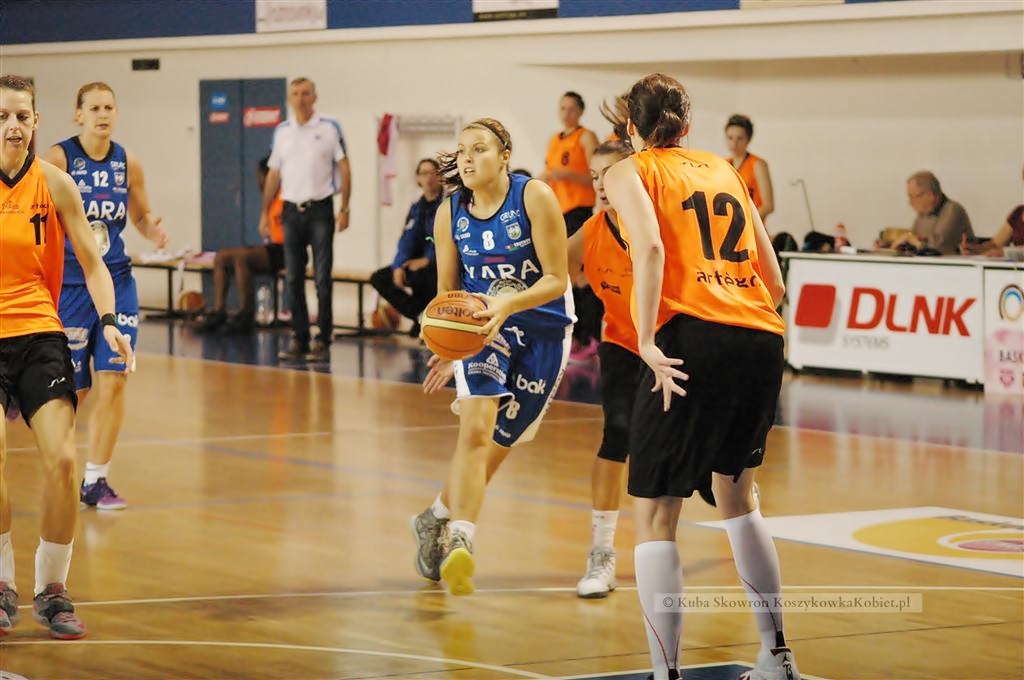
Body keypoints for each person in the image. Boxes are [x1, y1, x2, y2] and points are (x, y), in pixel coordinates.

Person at [602, 74, 799, 680]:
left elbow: (651, 250)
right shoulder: (724, 168)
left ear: (630, 127)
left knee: (656, 513)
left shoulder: (629, 171)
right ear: (687, 126)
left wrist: (645, 339)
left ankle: (667, 674)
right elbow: (775, 279)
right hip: (760, 335)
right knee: (739, 500)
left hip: (691, 336)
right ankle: (778, 658)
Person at [411, 118, 574, 596]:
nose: (467, 158)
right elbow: (447, 292)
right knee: (476, 432)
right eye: (462, 150)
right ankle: (461, 537)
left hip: (544, 330)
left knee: (499, 444)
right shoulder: (449, 213)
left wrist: (509, 304)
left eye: (479, 149)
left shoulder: (534, 197)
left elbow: (556, 279)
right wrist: (448, 344)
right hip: (485, 330)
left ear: (505, 156)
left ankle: (435, 516)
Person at [568, 140, 735, 600]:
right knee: (617, 435)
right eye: (594, 176)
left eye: (609, 174)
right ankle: (602, 553)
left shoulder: (665, 223)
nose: (601, 185)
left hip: (676, 342)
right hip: (624, 347)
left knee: (689, 440)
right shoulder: (591, 231)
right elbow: (548, 274)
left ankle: (713, 474)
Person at [0, 75, 133, 639]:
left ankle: (51, 588)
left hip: (39, 333)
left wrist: (110, 321)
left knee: (61, 461)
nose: (13, 126)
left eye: (22, 116)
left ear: (35, 121)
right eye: (3, 116)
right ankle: (1, 584)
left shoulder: (55, 184)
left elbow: (94, 262)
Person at [43, 82, 166, 511]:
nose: (103, 114)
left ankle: (96, 480)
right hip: (72, 287)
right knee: (72, 391)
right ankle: (59, 470)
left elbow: (140, 214)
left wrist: (152, 229)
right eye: (94, 108)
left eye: (109, 107)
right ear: (78, 114)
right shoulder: (59, 159)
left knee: (114, 380)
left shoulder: (127, 162)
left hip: (117, 281)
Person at [260, 77, 351, 362]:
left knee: (322, 277)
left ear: (314, 96)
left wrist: (345, 207)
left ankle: (322, 337)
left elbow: (345, 167)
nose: (301, 98)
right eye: (296, 93)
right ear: (290, 98)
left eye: (306, 93)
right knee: (293, 277)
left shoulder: (329, 127)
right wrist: (265, 212)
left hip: (320, 208)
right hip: (290, 211)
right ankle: (299, 337)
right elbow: (274, 173)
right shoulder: (283, 132)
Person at [543, 91, 602, 362]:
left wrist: (568, 174)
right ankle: (573, 335)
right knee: (564, 275)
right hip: (559, 213)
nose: (566, 113)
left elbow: (597, 175)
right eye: (562, 108)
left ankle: (591, 336)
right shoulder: (554, 139)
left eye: (571, 109)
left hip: (579, 211)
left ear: (580, 111)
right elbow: (547, 174)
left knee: (583, 276)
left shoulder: (586, 137)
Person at [196, 156, 285, 334]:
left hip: (286, 250)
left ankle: (246, 313)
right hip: (271, 248)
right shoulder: (270, 201)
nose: (259, 182)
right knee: (222, 257)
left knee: (242, 258)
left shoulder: (286, 198)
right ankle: (219, 311)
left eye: (261, 178)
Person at [369, 159, 442, 336]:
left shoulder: (447, 205)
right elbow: (407, 239)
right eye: (424, 173)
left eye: (432, 173)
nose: (428, 178)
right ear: (418, 178)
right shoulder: (417, 207)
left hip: (436, 263)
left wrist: (427, 259)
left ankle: (431, 321)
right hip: (414, 263)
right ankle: (420, 314)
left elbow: (444, 238)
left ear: (440, 177)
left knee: (427, 276)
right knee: (380, 278)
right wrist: (399, 266)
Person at [890, 171, 973, 255]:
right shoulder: (923, 214)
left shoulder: (952, 210)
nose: (910, 202)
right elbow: (914, 241)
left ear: (930, 195)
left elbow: (938, 246)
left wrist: (912, 240)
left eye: (913, 197)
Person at [961, 166, 1023, 257]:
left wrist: (1006, 252)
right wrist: (973, 248)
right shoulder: (1018, 213)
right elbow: (995, 244)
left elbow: (1001, 251)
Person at [725, 114, 774, 223]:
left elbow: (768, 206)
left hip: (752, 226)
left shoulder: (758, 164)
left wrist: (746, 222)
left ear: (748, 139)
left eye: (740, 138)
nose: (734, 143)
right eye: (730, 138)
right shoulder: (724, 164)